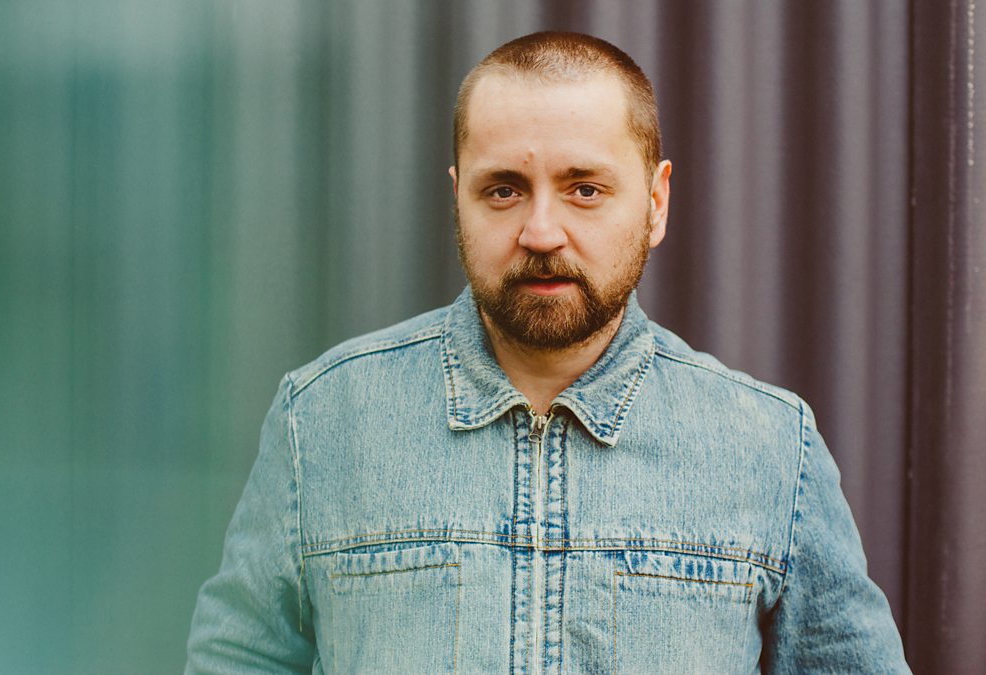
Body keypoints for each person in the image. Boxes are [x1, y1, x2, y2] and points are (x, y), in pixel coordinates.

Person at [186, 31, 910, 673]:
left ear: (656, 202)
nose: (540, 231)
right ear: (458, 198)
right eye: (503, 190)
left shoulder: (770, 448)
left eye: (585, 189)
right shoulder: (323, 422)